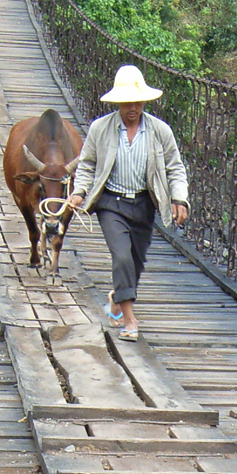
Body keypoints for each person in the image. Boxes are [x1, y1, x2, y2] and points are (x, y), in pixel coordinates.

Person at [66, 65, 189, 342]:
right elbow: (87, 165)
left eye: (136, 101)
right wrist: (79, 192)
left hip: (144, 204)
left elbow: (175, 168)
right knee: (121, 257)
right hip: (111, 203)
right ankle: (129, 320)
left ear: (144, 101)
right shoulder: (101, 128)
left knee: (134, 263)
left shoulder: (160, 131)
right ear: (117, 103)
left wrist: (179, 199)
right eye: (126, 102)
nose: (131, 107)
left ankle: (116, 298)